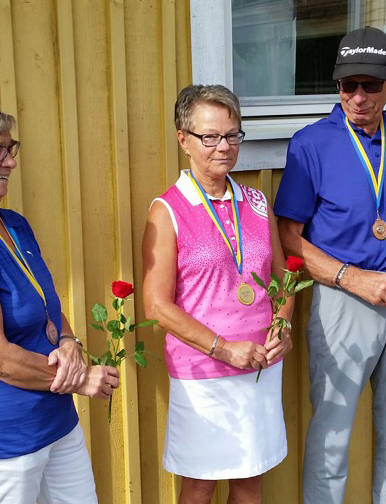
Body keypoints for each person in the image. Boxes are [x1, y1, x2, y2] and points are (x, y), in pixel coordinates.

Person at [274, 28, 386, 504]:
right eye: (347, 84)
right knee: (332, 435)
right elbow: (290, 236)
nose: (357, 97)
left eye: (370, 85)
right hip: (343, 301)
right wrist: (353, 279)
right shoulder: (311, 144)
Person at [0, 96, 119, 504]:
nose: (9, 161)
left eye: (10, 148)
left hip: (55, 421)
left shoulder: (14, 224)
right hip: (2, 437)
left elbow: (48, 308)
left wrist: (70, 344)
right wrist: (81, 378)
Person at [142, 84, 293, 504]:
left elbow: (282, 279)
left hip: (259, 365)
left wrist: (283, 323)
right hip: (203, 373)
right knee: (201, 484)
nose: (223, 146)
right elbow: (156, 305)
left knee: (250, 480)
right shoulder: (168, 209)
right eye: (210, 136)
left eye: (232, 134)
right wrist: (224, 348)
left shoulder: (258, 202)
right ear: (183, 140)